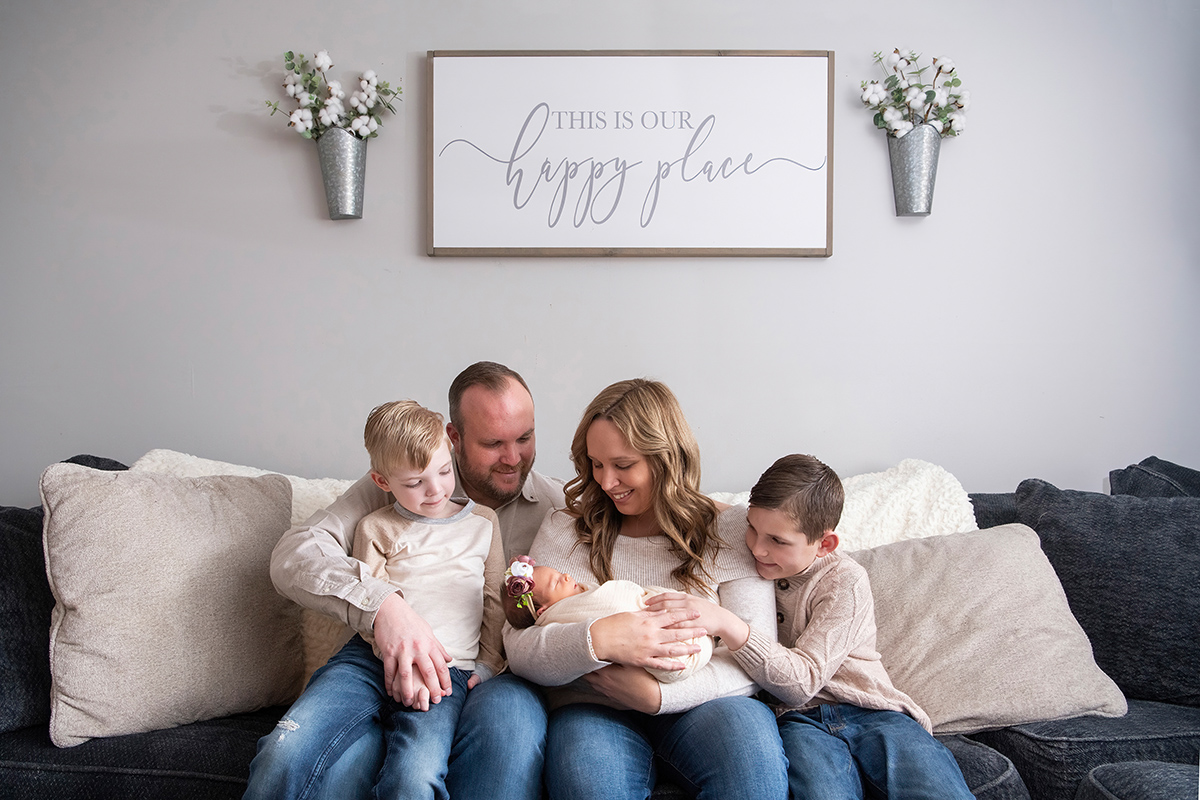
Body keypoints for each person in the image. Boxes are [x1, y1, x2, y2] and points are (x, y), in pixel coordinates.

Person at [245, 362, 563, 800]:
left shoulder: (557, 505)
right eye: (493, 443)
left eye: (524, 438)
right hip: (379, 661)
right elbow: (296, 554)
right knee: (309, 757)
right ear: (454, 438)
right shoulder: (398, 479)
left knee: (503, 724)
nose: (512, 458)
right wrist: (385, 608)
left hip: (482, 671)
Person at [504, 378, 789, 800]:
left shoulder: (730, 530)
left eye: (623, 465)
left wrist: (655, 696)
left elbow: (756, 655)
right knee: (587, 776)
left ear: (665, 458)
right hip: (594, 709)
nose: (606, 481)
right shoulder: (565, 529)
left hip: (707, 705)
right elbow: (519, 645)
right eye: (596, 464)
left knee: (751, 761)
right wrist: (599, 640)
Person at [649, 454, 975, 799]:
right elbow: (700, 506)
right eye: (752, 528)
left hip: (873, 713)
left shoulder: (844, 581)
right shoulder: (749, 562)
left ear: (825, 545)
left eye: (777, 541)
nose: (757, 548)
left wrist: (728, 624)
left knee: (937, 791)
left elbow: (802, 683)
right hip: (798, 722)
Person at [502, 558, 713, 682]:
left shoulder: (581, 592)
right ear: (543, 611)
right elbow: (612, 606)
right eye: (557, 582)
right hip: (667, 659)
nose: (565, 575)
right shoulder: (564, 615)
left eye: (558, 572)